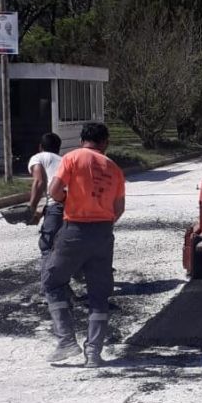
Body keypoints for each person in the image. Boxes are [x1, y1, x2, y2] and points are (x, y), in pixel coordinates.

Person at [41, 123, 125, 367]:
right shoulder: (115, 168)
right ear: (105, 142)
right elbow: (118, 209)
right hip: (103, 233)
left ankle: (67, 341)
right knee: (98, 294)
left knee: (52, 281)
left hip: (75, 230)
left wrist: (68, 201)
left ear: (82, 140)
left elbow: (54, 190)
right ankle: (94, 354)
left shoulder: (73, 158)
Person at [26, 132, 63, 267]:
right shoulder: (63, 160)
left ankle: (51, 283)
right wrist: (40, 213)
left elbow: (40, 182)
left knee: (47, 244)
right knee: (67, 242)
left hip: (58, 205)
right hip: (74, 205)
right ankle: (76, 272)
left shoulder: (38, 158)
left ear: (40, 147)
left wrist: (31, 209)